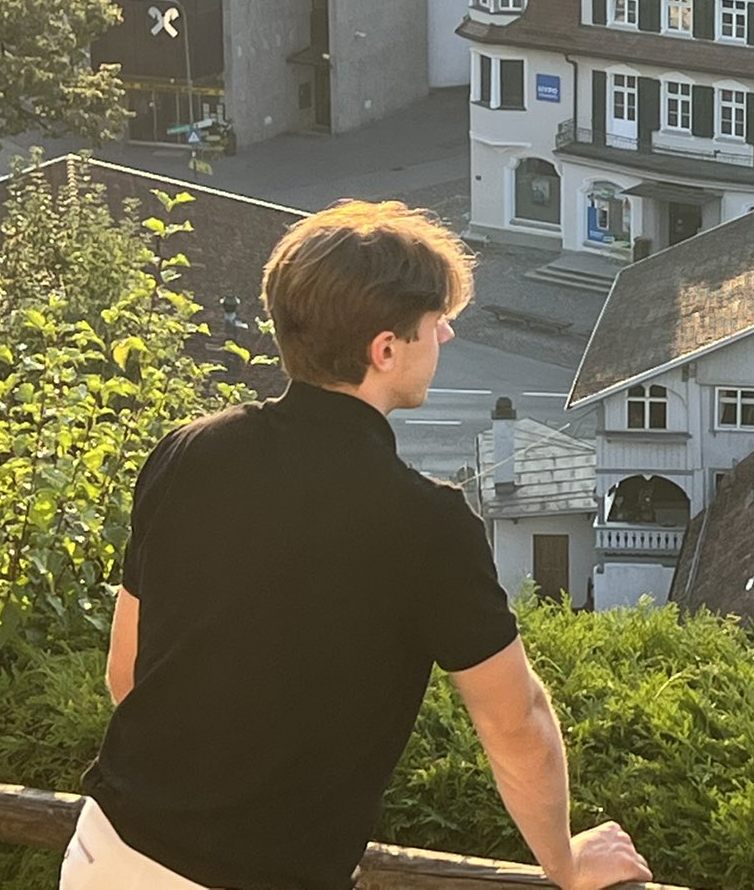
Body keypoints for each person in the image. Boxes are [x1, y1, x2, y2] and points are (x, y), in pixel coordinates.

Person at [63, 200, 648, 890]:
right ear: (386, 349)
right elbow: (516, 722)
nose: (449, 336)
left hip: (106, 852)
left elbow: (126, 674)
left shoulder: (188, 451)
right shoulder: (425, 521)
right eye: (435, 324)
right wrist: (563, 862)